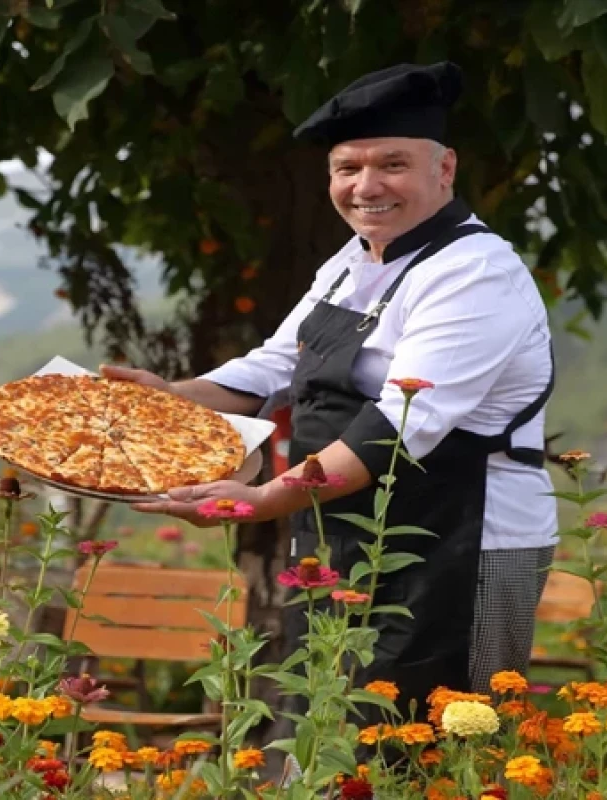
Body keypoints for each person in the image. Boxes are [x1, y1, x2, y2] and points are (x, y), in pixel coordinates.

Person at [107, 61, 558, 714]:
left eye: (392, 164)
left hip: (464, 545)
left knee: (435, 743)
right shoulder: (353, 259)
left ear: (446, 169)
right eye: (348, 168)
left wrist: (265, 499)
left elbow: (396, 428)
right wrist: (167, 395)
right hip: (340, 531)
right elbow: (273, 367)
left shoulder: (475, 274)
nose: (366, 186)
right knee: (324, 726)